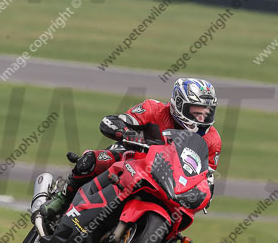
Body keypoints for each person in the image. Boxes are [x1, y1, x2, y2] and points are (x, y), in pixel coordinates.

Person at [38, 78, 221, 221]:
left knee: (178, 224)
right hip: (133, 157)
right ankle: (63, 198)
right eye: (196, 111)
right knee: (93, 161)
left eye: (207, 112)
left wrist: (205, 191)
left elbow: (206, 174)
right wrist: (126, 132)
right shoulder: (153, 109)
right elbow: (113, 121)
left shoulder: (212, 140)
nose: (202, 117)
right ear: (179, 104)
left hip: (170, 180)